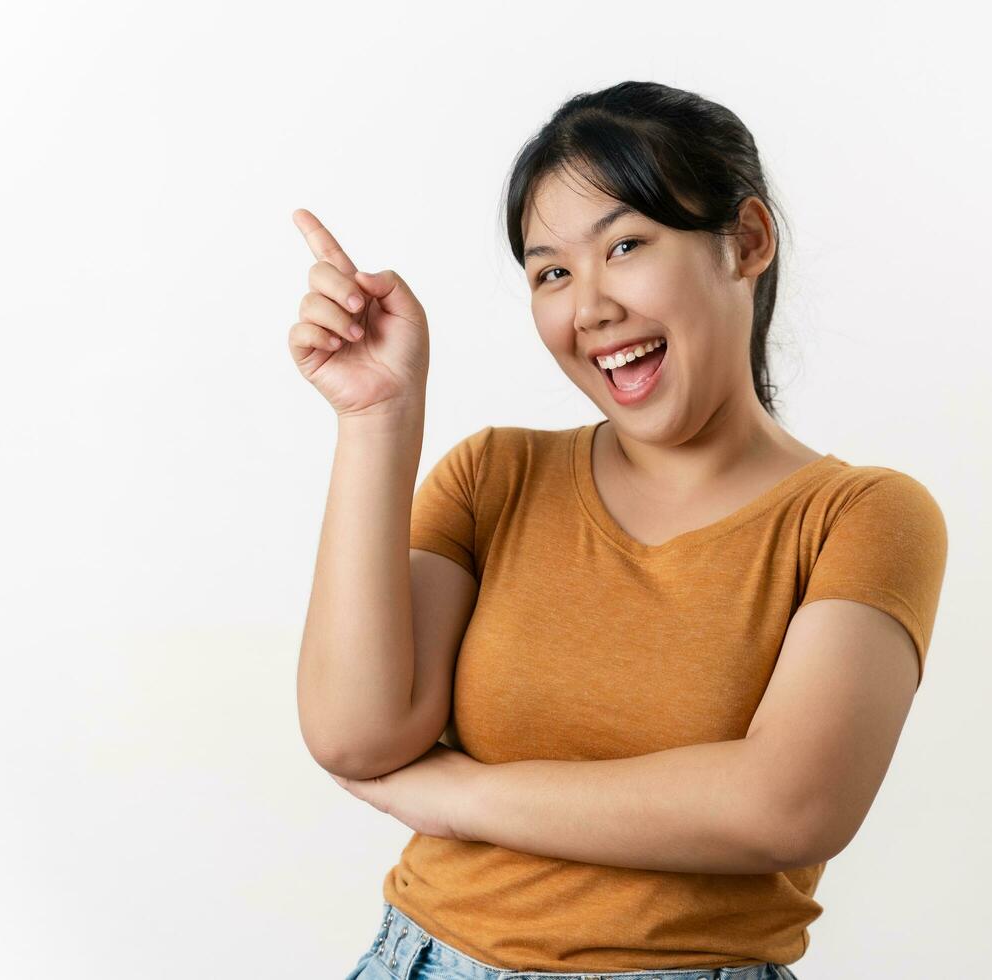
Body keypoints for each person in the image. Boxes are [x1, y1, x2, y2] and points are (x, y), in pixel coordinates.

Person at [290, 80, 948, 980]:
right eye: (551, 271)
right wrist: (377, 420)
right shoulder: (494, 477)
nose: (589, 307)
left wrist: (461, 795)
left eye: (626, 245)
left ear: (746, 242)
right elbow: (356, 735)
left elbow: (788, 807)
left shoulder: (861, 516)